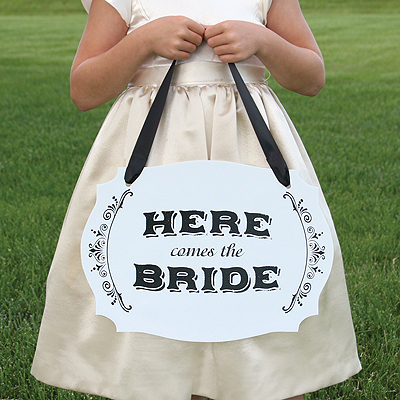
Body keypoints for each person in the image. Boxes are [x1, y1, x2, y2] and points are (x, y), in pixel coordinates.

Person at [31, 0, 361, 399]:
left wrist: (262, 40)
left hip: (247, 156)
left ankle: (265, 379)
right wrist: (144, 40)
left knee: (256, 284)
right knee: (163, 292)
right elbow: (84, 90)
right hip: (156, 158)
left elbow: (311, 78)